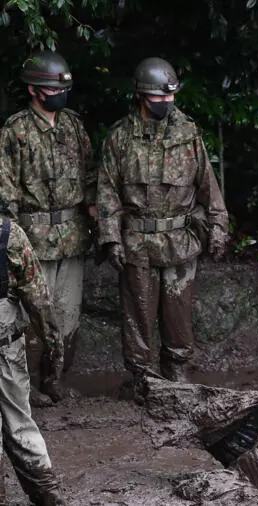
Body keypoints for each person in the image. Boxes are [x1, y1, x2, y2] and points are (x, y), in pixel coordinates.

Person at [96, 57, 228, 401]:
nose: (167, 104)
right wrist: (111, 239)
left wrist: (218, 225)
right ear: (142, 96)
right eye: (159, 99)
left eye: (171, 98)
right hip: (137, 242)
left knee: (178, 315)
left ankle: (177, 375)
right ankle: (144, 380)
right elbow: (107, 190)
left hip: (180, 241)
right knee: (137, 317)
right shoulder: (120, 138)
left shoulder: (187, 132)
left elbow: (207, 184)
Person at [0, 51, 95, 406]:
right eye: (55, 88)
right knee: (32, 316)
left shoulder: (72, 125)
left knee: (68, 313)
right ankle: (27, 387)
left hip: (72, 236)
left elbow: (88, 177)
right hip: (33, 240)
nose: (61, 94)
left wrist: (97, 220)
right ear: (35, 90)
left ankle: (55, 380)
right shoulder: (16, 130)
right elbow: (5, 188)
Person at [0, 211, 66, 504]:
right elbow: (39, 300)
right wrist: (54, 347)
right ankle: (48, 496)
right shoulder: (9, 235)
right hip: (6, 347)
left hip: (6, 345)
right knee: (21, 425)